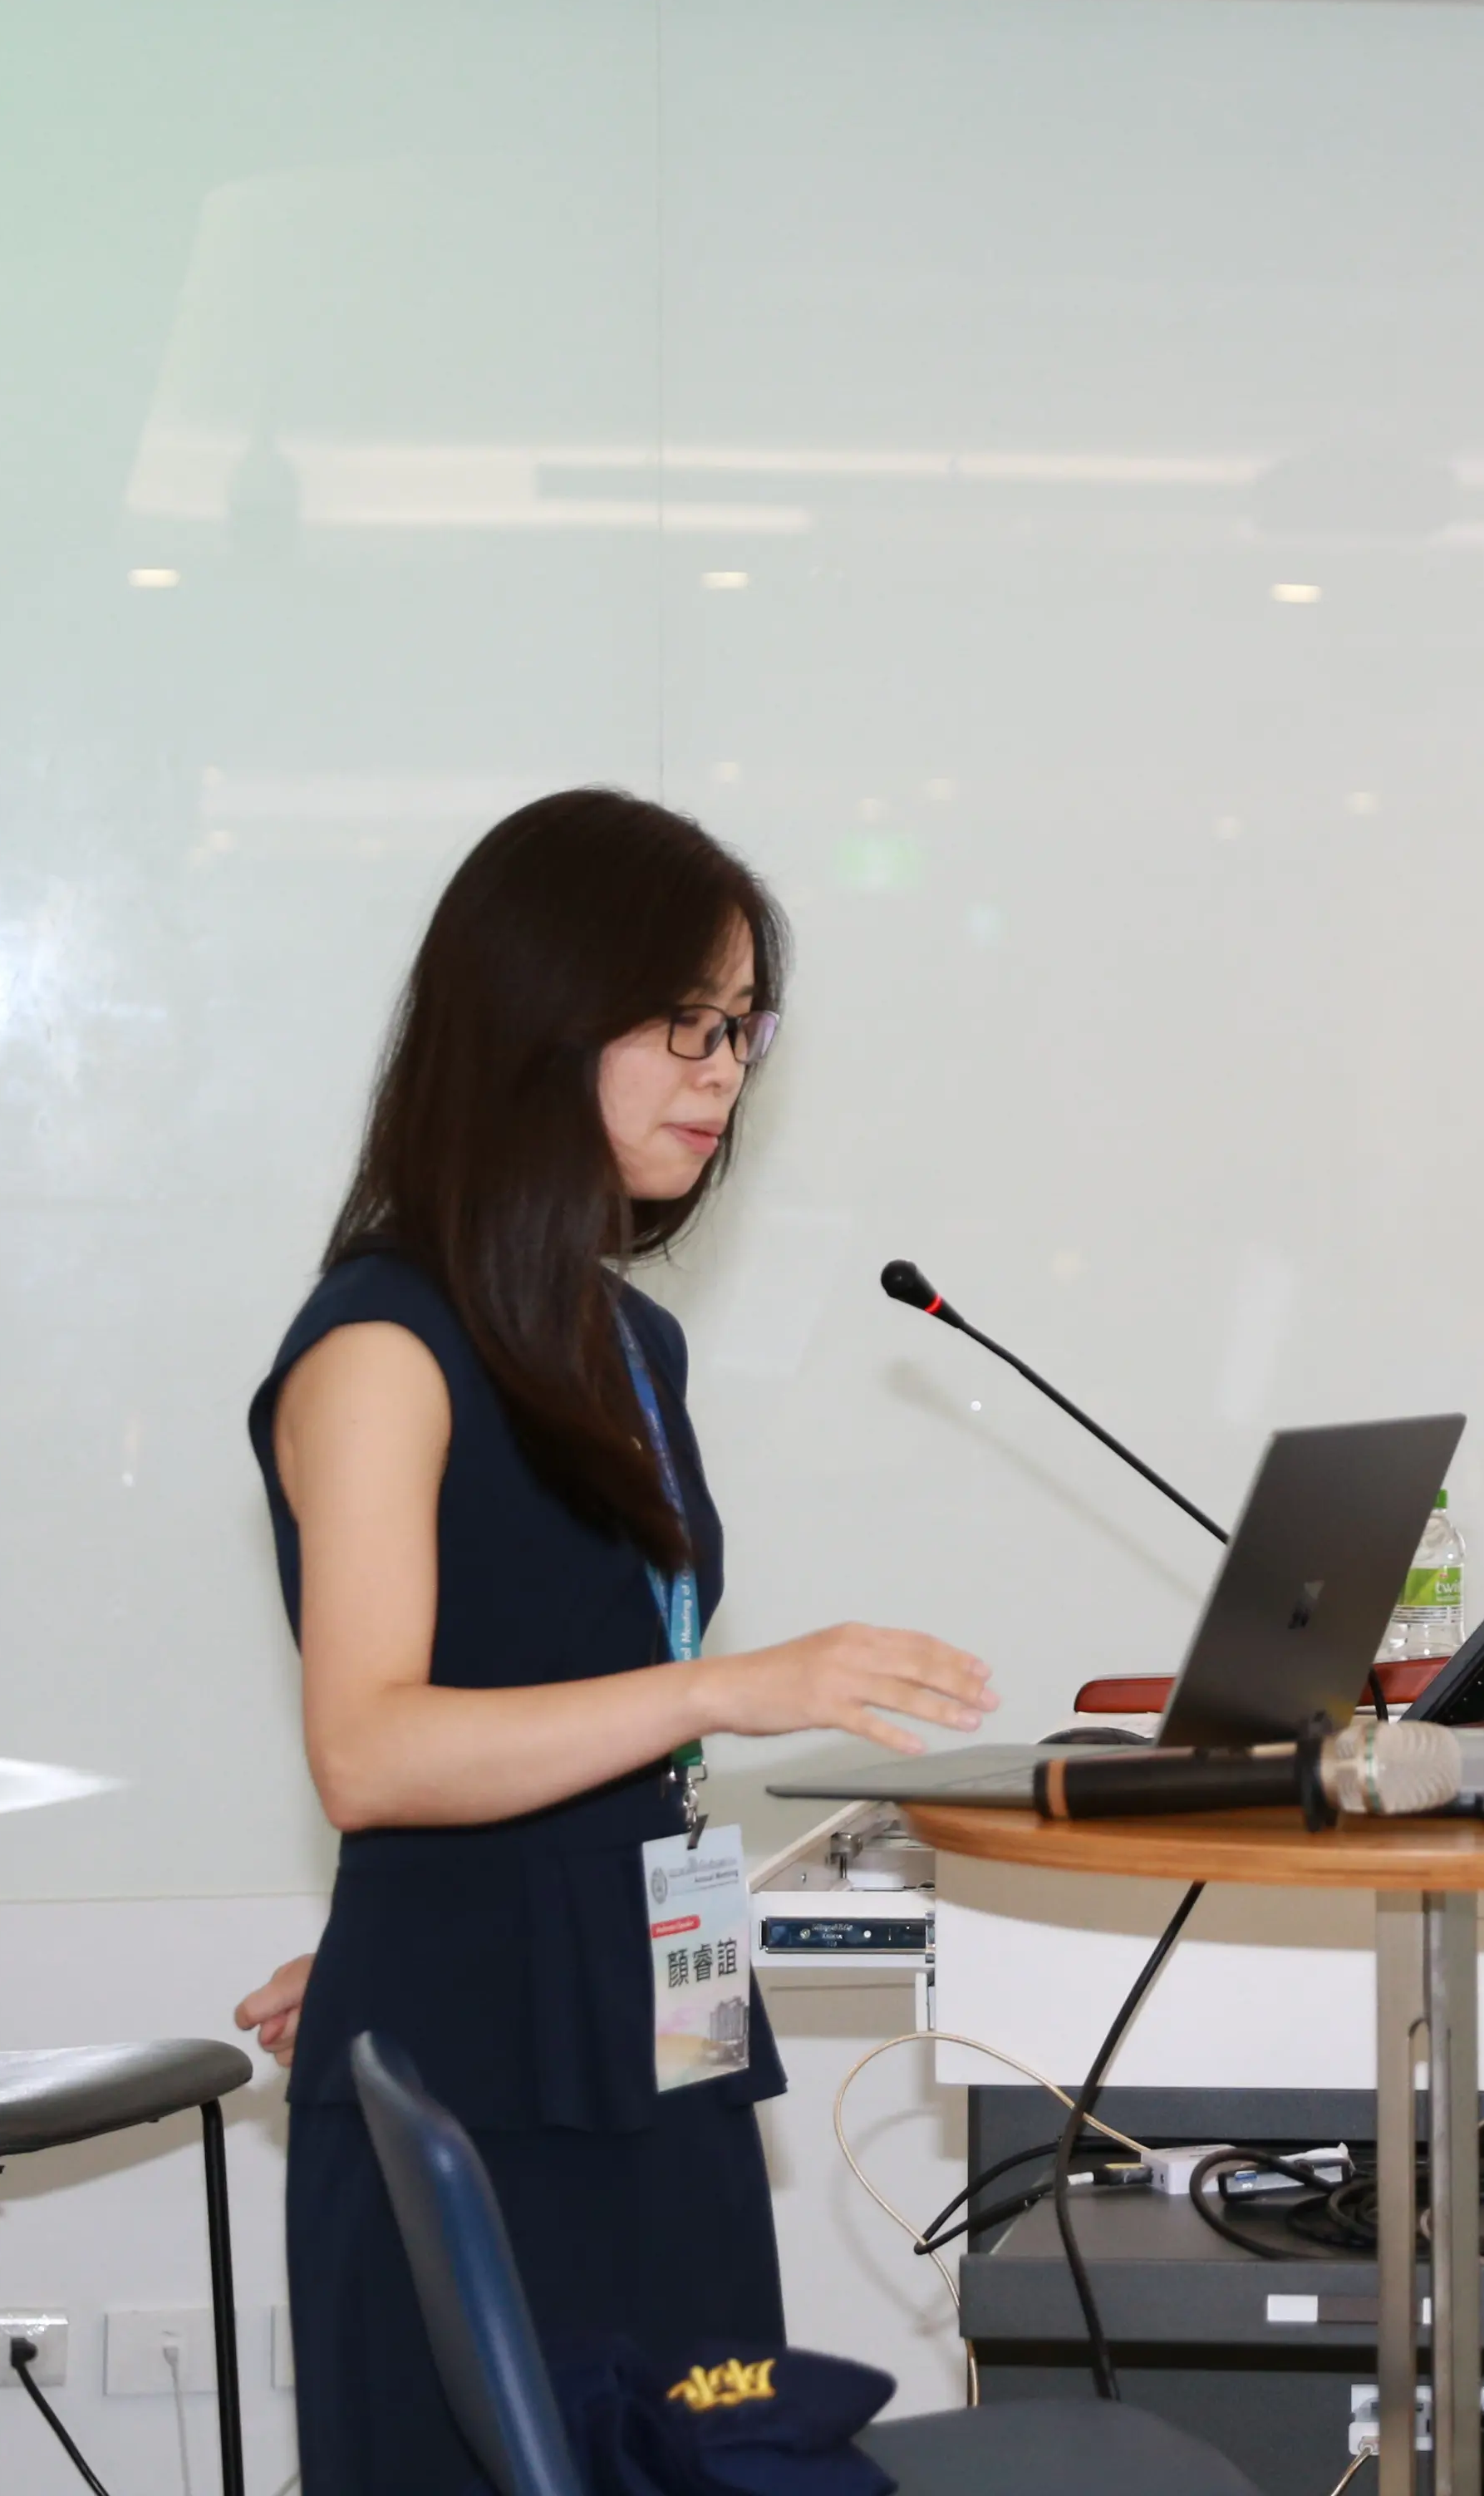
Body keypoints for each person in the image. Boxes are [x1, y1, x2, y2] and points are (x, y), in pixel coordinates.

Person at [243, 789, 996, 2489]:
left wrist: (444, 1928)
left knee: (720, 2455)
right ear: (536, 1021)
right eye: (682, 1024)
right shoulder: (380, 1349)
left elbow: (546, 1697)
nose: (721, 1074)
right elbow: (368, 1747)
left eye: (741, 1029)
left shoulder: (627, 1343)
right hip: (500, 2075)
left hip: (655, 2018)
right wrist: (730, 1688)